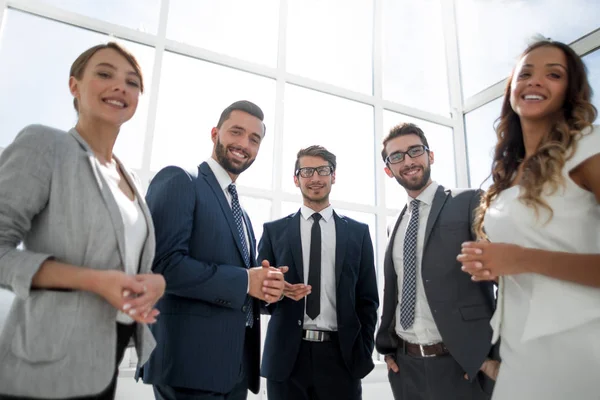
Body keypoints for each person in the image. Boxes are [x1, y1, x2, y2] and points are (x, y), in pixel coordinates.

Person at [0, 42, 165, 400]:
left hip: (108, 350)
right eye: (105, 74)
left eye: (132, 82)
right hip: (43, 363)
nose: (121, 86)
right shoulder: (45, 145)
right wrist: (92, 281)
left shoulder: (131, 178)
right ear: (74, 86)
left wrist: (157, 282)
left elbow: (124, 259)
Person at [458, 40, 600, 400]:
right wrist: (494, 265)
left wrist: (520, 259)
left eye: (553, 74)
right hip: (520, 348)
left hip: (582, 349)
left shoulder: (589, 148)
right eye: (525, 73)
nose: (535, 82)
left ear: (570, 91)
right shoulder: (510, 171)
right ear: (512, 89)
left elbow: (526, 255)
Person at [139, 100, 286, 400]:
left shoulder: (243, 215)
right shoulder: (180, 179)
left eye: (254, 139)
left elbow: (240, 287)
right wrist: (246, 280)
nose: (244, 144)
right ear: (215, 133)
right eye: (236, 132)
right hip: (188, 369)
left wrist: (268, 288)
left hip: (235, 371)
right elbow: (162, 266)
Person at [375, 123, 498, 400]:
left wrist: (491, 355)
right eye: (396, 156)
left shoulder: (469, 201)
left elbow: (507, 277)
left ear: (430, 156)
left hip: (463, 365)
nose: (407, 161)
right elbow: (395, 291)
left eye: (415, 151)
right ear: (388, 170)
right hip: (406, 368)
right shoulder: (394, 223)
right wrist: (389, 348)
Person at [257, 145, 379, 400]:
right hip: (287, 357)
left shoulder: (358, 233)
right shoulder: (273, 231)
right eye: (307, 171)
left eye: (323, 170)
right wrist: (275, 293)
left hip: (341, 357)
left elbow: (367, 301)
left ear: (333, 176)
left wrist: (363, 349)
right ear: (296, 179)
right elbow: (259, 298)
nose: (315, 178)